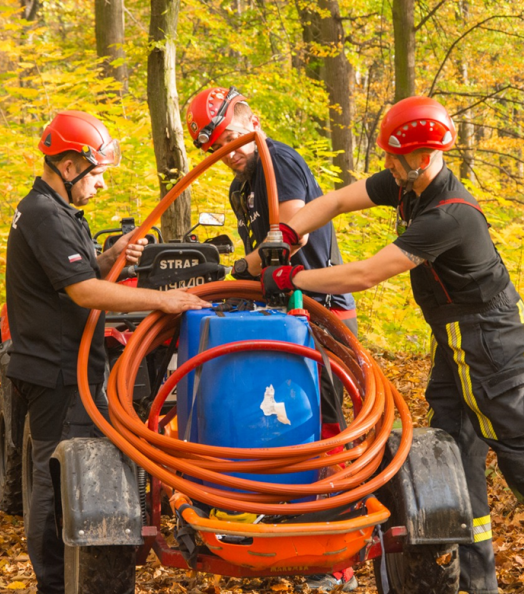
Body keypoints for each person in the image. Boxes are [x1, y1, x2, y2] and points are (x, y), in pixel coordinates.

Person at [261, 96, 524, 594]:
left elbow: (365, 274)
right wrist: (286, 231)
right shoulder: (407, 186)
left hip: (491, 338)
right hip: (455, 339)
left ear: (421, 158)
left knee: (523, 455)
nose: (385, 165)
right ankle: (475, 581)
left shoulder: (449, 214)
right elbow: (335, 200)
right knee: (454, 451)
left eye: (393, 157)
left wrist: (294, 275)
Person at [5, 110, 210, 594]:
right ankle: (55, 585)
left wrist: (111, 256)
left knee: (70, 471)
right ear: (70, 166)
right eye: (95, 174)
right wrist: (164, 300)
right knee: (58, 479)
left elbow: (78, 274)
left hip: (65, 364)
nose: (99, 185)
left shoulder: (55, 211)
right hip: (56, 369)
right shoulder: (44, 215)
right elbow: (85, 294)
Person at [187, 87, 358, 593]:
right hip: (282, 313)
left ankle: (333, 553)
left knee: (322, 424)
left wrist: (244, 268)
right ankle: (281, 517)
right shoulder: (242, 182)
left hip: (317, 308)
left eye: (234, 139)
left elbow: (291, 230)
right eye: (216, 147)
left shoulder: (275, 160)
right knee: (277, 417)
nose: (230, 152)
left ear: (252, 121)